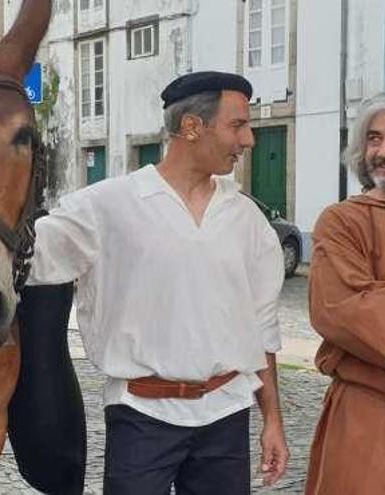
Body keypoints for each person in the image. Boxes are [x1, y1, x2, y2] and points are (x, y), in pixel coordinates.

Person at [28, 71, 289, 494]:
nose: (249, 141)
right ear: (191, 127)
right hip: (141, 416)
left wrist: (272, 420)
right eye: (237, 125)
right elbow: (22, 259)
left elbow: (263, 329)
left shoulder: (246, 219)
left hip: (226, 412)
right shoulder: (106, 206)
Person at [305, 93, 385, 495]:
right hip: (369, 416)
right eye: (374, 139)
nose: (381, 152)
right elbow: (345, 310)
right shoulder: (342, 222)